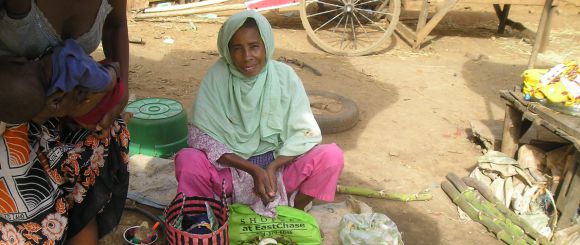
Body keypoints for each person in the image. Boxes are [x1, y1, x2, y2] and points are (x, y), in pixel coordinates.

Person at [175, 10, 344, 218]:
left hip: (279, 173)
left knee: (331, 156)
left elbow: (304, 133)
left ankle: (293, 212)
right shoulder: (217, 77)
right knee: (187, 159)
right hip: (231, 172)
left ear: (266, 45)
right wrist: (252, 169)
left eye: (254, 46)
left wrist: (272, 167)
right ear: (227, 51)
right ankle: (206, 218)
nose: (247, 57)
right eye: (237, 48)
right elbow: (201, 136)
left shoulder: (284, 76)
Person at [0, 0, 130, 244]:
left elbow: (116, 24)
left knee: (82, 210)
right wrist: (36, 105)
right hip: (10, 131)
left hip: (77, 124)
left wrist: (121, 91)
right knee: (34, 227)